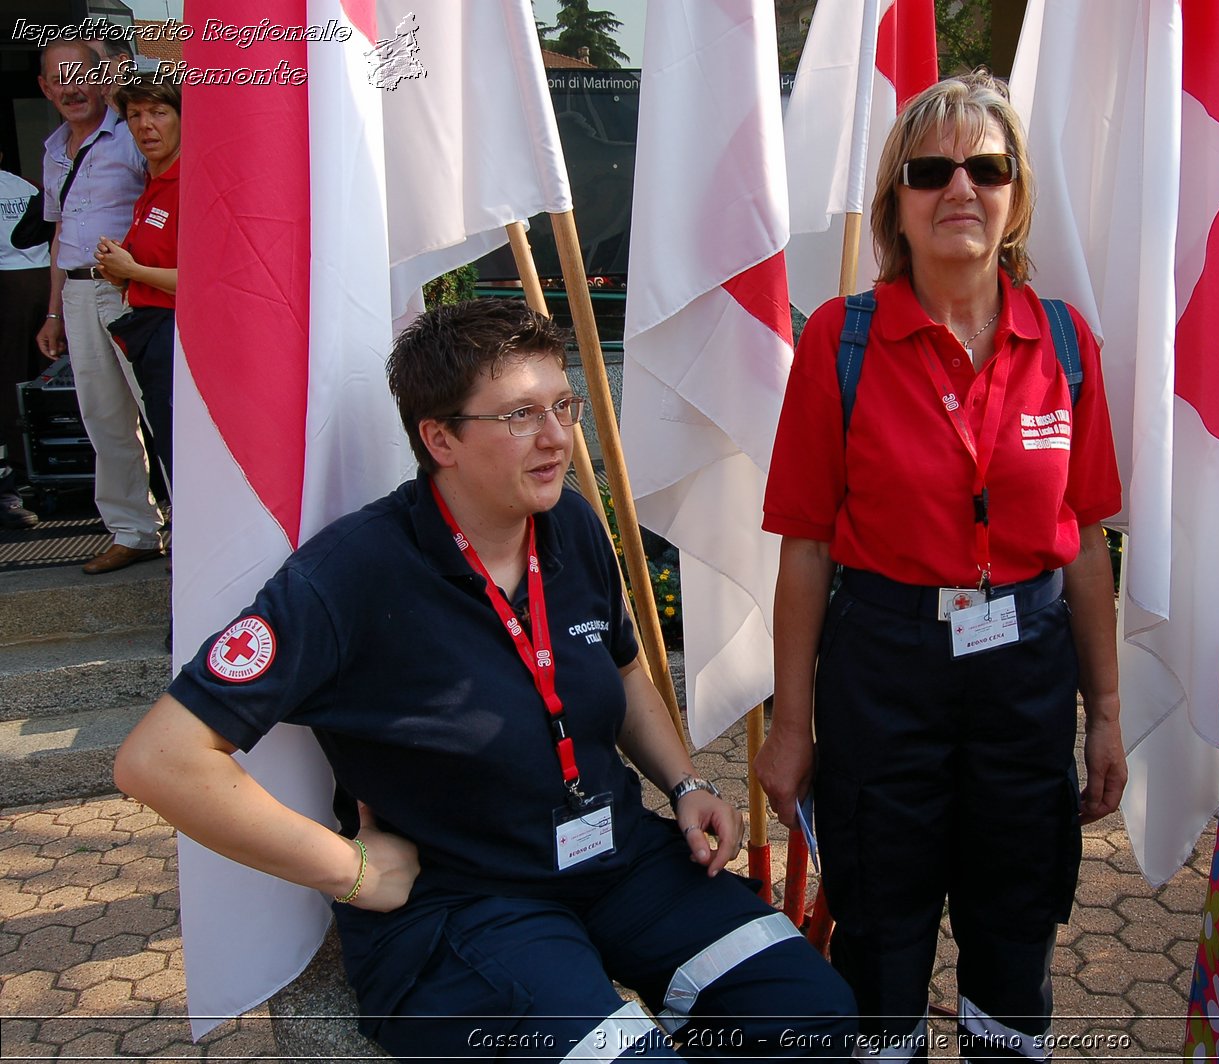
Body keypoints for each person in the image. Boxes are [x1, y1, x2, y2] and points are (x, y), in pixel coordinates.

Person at [115, 301, 856, 1062]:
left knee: (815, 1019)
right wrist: (351, 871)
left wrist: (685, 782)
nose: (557, 436)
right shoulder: (349, 575)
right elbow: (159, 760)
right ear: (440, 439)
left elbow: (623, 666)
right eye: (519, 415)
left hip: (617, 860)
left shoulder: (568, 522)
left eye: (561, 404)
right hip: (466, 903)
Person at [757, 74, 1127, 1061]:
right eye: (931, 170)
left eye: (987, 167)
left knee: (1016, 916)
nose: (959, 188)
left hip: (1028, 668)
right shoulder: (841, 340)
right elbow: (804, 545)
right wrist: (791, 724)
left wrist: (1108, 711)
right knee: (879, 923)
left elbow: (1087, 539)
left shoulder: (1063, 341)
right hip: (884, 666)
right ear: (896, 202)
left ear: (1015, 197)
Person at [33, 39, 164, 574]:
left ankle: (199, 525)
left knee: (162, 410)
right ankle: (133, 530)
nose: (71, 87)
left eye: (80, 73)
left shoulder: (133, 135)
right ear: (45, 88)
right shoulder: (51, 149)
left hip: (134, 288)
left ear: (101, 77)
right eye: (58, 77)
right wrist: (53, 312)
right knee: (104, 417)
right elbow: (61, 233)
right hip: (78, 292)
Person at [95, 74, 180, 491]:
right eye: (135, 115)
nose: (146, 125)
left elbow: (203, 283)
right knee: (166, 442)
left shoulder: (190, 184)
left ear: (182, 119)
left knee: (181, 447)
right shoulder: (152, 184)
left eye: (159, 112)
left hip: (178, 339)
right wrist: (119, 272)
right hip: (151, 334)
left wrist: (132, 272)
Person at [0, 149, 51, 530]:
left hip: (18, 288)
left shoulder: (35, 185)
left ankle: (15, 477)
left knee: (14, 386)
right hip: (46, 284)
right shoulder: (31, 185)